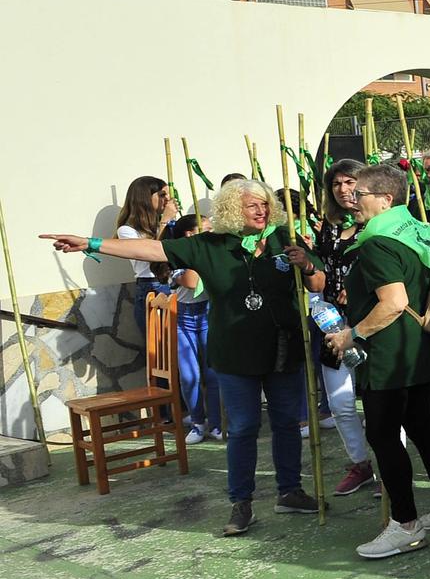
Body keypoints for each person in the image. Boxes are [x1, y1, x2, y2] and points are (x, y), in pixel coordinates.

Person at [48, 178, 322, 535]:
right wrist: (92, 243)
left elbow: (318, 285)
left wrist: (308, 267)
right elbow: (151, 251)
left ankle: (290, 492)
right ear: (230, 210)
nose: (261, 210)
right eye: (252, 205)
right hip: (236, 356)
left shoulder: (283, 238)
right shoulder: (209, 245)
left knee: (287, 424)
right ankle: (241, 503)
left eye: (265, 203)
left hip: (282, 351)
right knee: (242, 428)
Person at [322, 164, 430, 559]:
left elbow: (394, 302)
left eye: (360, 193)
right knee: (422, 426)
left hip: (388, 354)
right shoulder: (416, 229)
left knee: (384, 436)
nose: (352, 199)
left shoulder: (377, 242)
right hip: (418, 349)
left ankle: (405, 524)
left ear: (386, 199)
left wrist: (353, 333)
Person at [286, 160, 373, 495]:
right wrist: (307, 262)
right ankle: (361, 463)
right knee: (339, 403)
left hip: (370, 320)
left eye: (349, 181)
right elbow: (318, 282)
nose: (342, 189)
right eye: (335, 183)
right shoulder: (327, 228)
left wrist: (361, 283)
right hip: (333, 322)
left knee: (381, 399)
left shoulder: (377, 222)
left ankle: (389, 463)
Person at [161, 215, 220, 445]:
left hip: (208, 316)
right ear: (189, 235)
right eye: (206, 230)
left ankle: (216, 423)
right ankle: (197, 422)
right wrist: (201, 252)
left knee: (213, 374)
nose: (211, 233)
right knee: (189, 376)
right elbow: (193, 281)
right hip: (183, 319)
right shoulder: (177, 262)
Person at [114, 176, 177, 337]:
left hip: (176, 285)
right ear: (146, 198)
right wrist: (164, 222)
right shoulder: (127, 230)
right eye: (162, 195)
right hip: (152, 286)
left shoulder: (165, 224)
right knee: (160, 346)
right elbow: (150, 254)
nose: (167, 199)